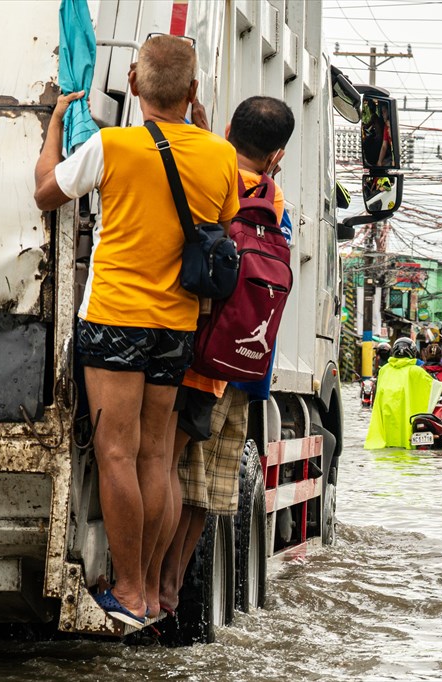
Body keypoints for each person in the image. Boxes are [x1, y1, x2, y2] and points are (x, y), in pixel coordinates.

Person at [33, 35, 240, 627]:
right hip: (177, 324)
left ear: (133, 81)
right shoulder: (219, 155)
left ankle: (126, 591)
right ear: (194, 91)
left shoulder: (112, 145)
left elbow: (47, 192)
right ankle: (148, 591)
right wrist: (203, 136)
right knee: (157, 458)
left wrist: (53, 129)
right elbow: (221, 225)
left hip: (117, 316)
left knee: (115, 452)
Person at [158, 96, 295, 616]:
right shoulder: (274, 199)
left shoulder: (210, 170)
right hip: (240, 362)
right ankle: (172, 587)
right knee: (208, 489)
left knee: (168, 469)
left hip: (192, 352)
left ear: (228, 128)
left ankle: (152, 583)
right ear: (277, 153)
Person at [365, 338, 442, 449]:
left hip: (387, 414)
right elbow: (435, 387)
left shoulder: (384, 370)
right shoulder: (415, 371)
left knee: (389, 443)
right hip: (406, 414)